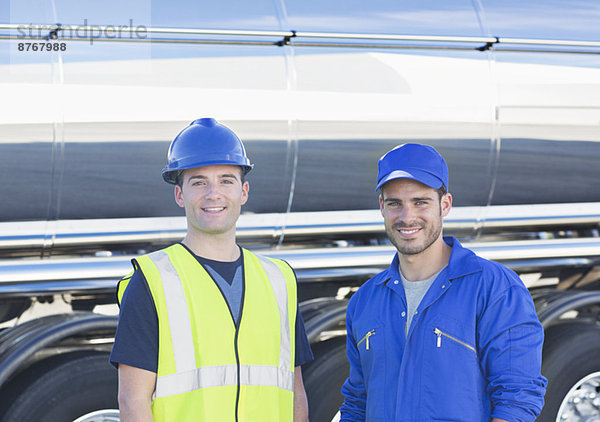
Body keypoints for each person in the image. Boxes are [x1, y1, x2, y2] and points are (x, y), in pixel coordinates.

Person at [110, 118, 312, 422]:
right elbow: (132, 400)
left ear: (243, 192)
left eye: (226, 180)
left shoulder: (279, 280)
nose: (213, 194)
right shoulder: (152, 281)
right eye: (199, 182)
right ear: (180, 195)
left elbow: (295, 390)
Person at [339, 143, 547, 421]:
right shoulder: (364, 301)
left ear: (445, 204)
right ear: (382, 207)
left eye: (420, 202)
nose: (406, 217)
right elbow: (357, 403)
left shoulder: (493, 288)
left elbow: (517, 398)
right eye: (395, 203)